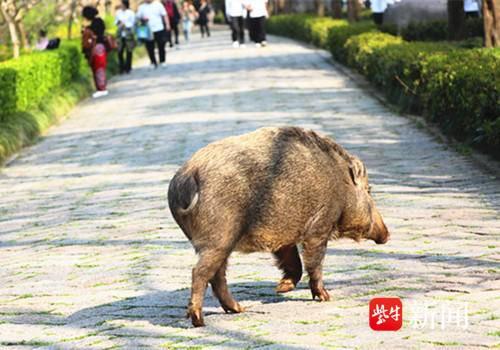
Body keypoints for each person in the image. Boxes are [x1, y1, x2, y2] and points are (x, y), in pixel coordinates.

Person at [82, 6, 108, 98]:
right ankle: (101, 87)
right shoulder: (99, 22)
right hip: (102, 47)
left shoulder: (92, 25)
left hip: (96, 48)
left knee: (98, 68)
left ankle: (101, 89)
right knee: (100, 68)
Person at [137, 0, 171, 68]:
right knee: (150, 47)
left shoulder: (158, 4)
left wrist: (167, 24)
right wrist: (142, 19)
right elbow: (137, 17)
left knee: (161, 45)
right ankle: (153, 62)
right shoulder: (141, 7)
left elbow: (164, 15)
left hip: (158, 28)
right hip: (147, 30)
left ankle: (162, 61)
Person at [115, 0, 136, 74]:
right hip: (120, 33)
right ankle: (122, 67)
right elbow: (116, 22)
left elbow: (133, 23)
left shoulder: (130, 13)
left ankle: (128, 67)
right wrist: (120, 23)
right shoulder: (118, 13)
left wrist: (126, 24)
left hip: (128, 33)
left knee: (129, 50)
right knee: (120, 51)